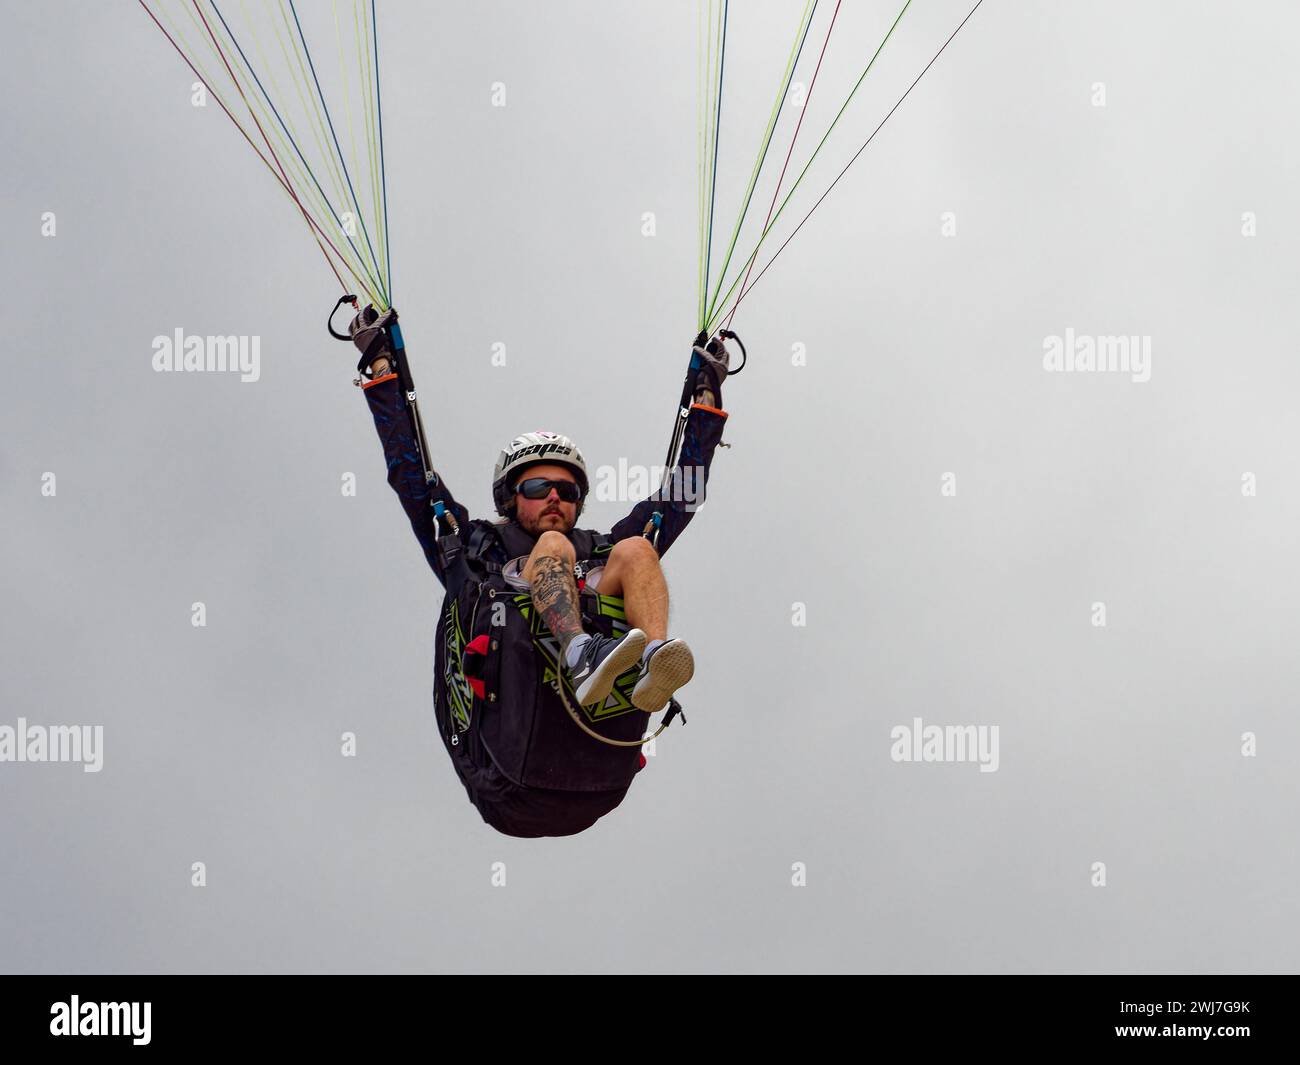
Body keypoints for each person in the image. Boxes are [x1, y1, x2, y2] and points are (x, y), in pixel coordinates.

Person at [350, 306, 731, 837]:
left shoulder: (603, 548)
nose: (554, 497)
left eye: (567, 490)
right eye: (537, 488)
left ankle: (647, 666)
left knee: (639, 551)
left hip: (597, 775)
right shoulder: (472, 550)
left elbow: (679, 499)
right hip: (509, 772)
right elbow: (412, 475)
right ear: (511, 497)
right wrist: (382, 370)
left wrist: (706, 400)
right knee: (556, 547)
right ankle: (579, 655)